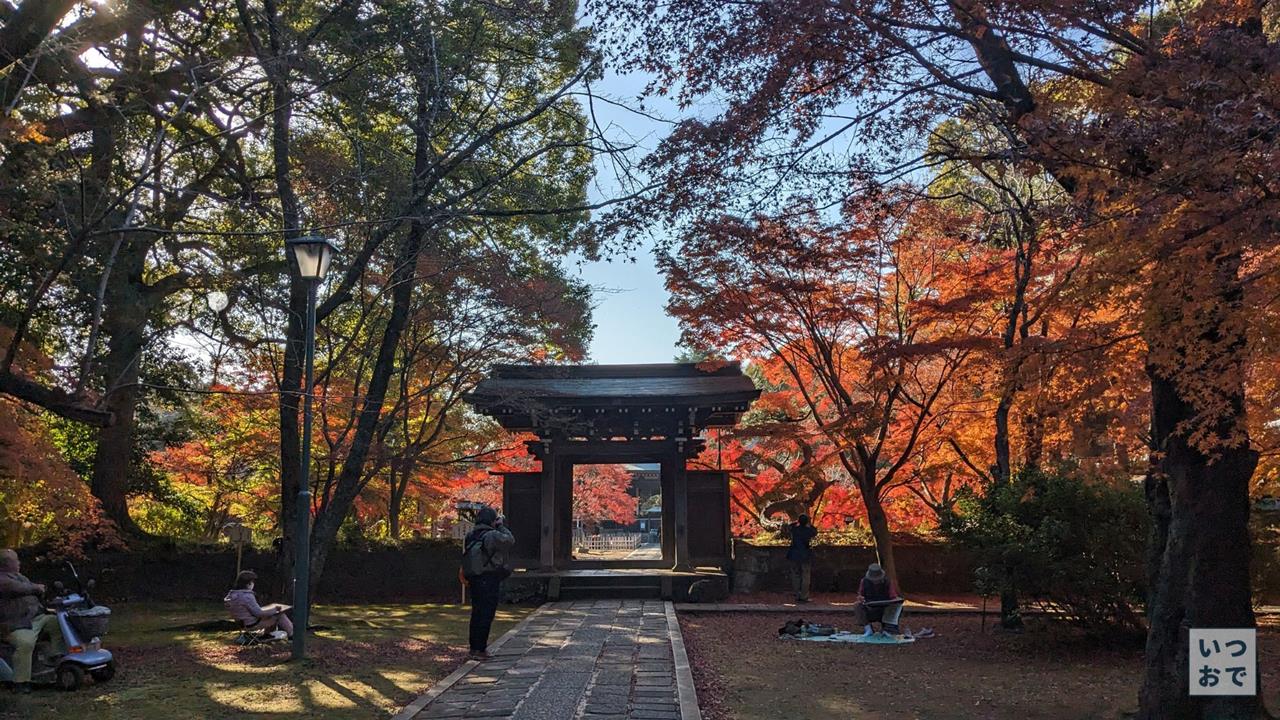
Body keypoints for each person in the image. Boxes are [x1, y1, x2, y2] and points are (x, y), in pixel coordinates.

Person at [0, 548, 64, 693]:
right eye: (16, 560)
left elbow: (32, 590)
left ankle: (57, 658)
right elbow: (20, 589)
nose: (19, 563)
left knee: (60, 623)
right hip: (14, 624)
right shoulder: (3, 580)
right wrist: (36, 587)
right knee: (25, 642)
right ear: (7, 564)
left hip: (35, 617)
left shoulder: (20, 576)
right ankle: (21, 682)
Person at [461, 507, 515, 661]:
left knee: (476, 612)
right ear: (491, 520)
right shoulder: (492, 535)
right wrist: (500, 525)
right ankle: (481, 648)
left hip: (474, 577)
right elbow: (510, 540)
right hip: (489, 577)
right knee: (486, 613)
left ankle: (474, 648)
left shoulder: (470, 535)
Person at [224, 570, 293, 641]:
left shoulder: (231, 596)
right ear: (248, 584)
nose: (254, 584)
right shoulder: (247, 596)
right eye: (253, 582)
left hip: (242, 623)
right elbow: (258, 613)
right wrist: (275, 609)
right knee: (280, 615)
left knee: (271, 613)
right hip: (252, 624)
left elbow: (250, 611)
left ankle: (267, 635)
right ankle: (292, 636)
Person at [853, 563, 905, 636]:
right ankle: (868, 629)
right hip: (870, 609)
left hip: (884, 610)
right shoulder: (864, 581)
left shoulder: (887, 582)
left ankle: (887, 629)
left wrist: (895, 600)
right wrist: (861, 598)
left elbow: (893, 596)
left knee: (897, 607)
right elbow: (860, 595)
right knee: (857, 606)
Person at [785, 514, 818, 603]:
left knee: (795, 575)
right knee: (806, 575)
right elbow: (815, 531)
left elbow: (789, 527)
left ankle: (797, 594)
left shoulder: (794, 530)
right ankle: (804, 596)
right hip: (805, 554)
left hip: (794, 554)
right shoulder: (808, 531)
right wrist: (809, 524)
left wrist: (796, 522)